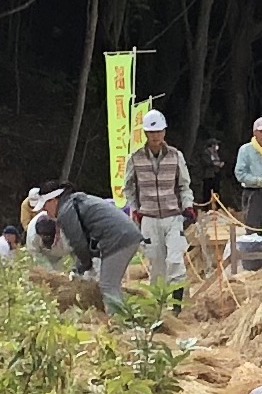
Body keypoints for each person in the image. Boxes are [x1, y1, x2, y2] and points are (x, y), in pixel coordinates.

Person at [27, 185, 143, 313]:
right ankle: (123, 315)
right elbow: (85, 240)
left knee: (107, 286)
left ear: (53, 200)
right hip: (123, 236)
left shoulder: (66, 212)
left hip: (119, 239)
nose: (45, 211)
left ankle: (120, 321)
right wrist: (82, 266)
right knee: (110, 284)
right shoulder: (73, 202)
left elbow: (78, 242)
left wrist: (84, 266)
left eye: (45, 206)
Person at [126, 106, 195, 285]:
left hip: (173, 216)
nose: (155, 136)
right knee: (156, 265)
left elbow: (184, 185)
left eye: (158, 131)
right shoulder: (135, 159)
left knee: (175, 261)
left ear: (164, 132)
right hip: (148, 218)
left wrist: (188, 206)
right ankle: (159, 304)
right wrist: (134, 208)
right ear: (145, 134)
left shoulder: (175, 156)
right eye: (151, 132)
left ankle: (177, 305)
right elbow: (129, 187)